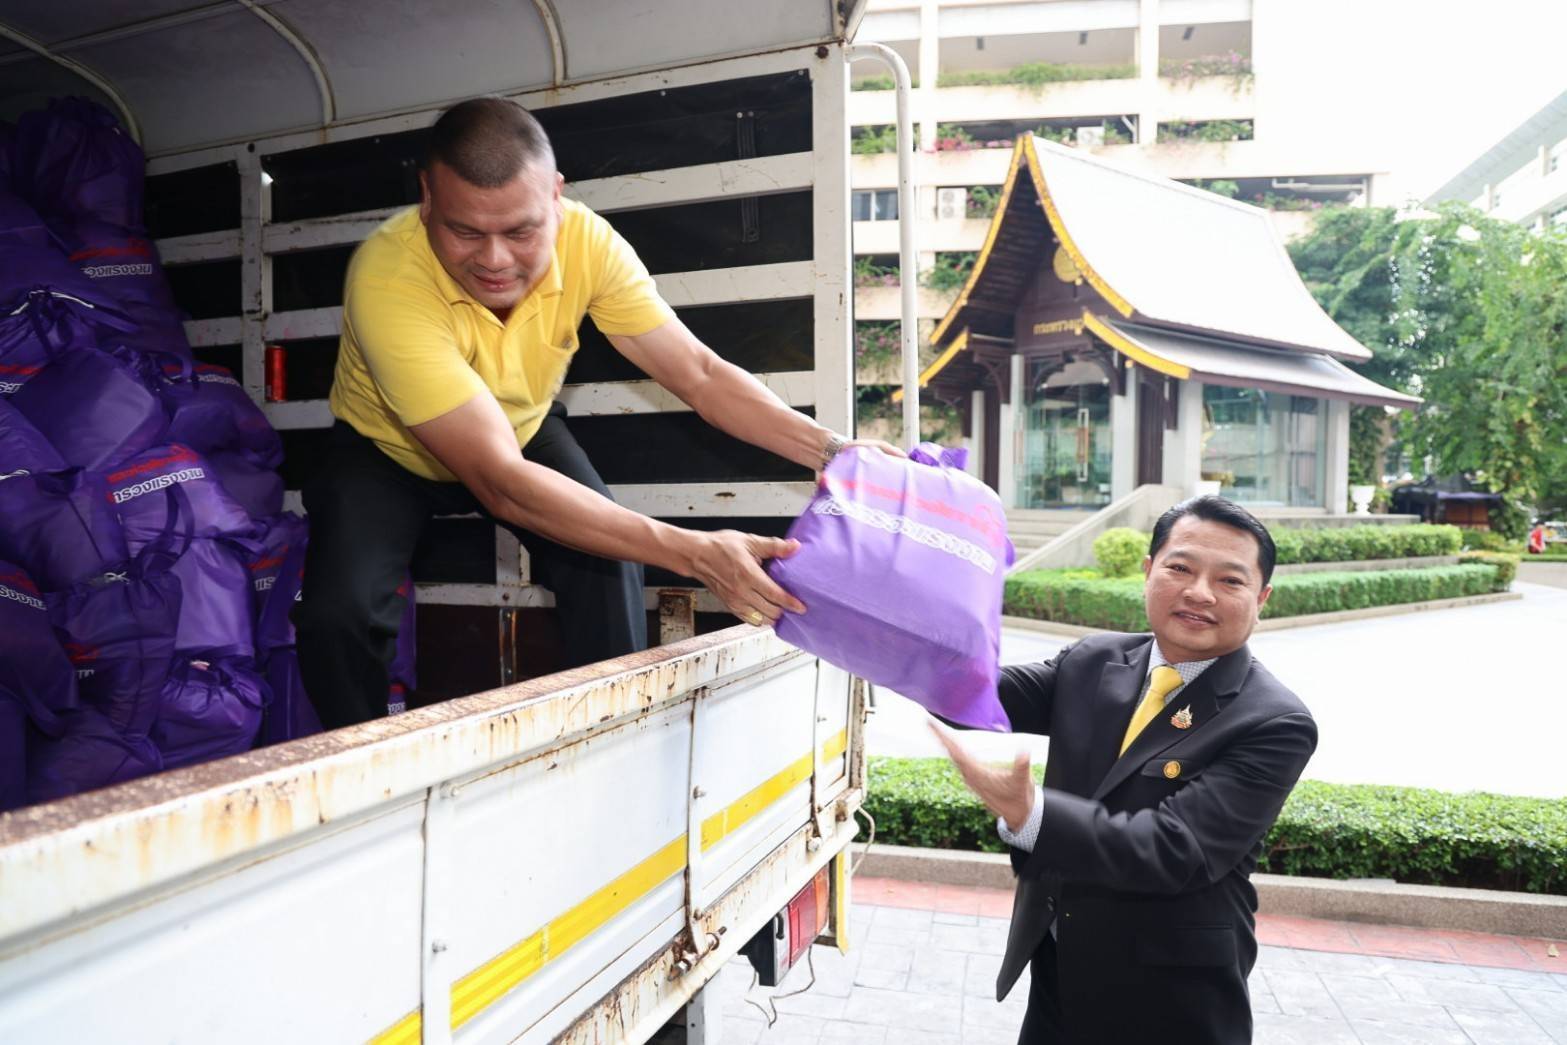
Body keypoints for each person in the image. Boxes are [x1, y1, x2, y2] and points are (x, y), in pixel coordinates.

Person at [294, 97, 895, 729]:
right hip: (387, 450)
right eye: (465, 232)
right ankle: (357, 770)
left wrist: (833, 451)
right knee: (338, 615)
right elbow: (499, 483)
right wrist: (696, 552)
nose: (494, 260)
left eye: (521, 232)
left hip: (522, 429)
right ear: (426, 198)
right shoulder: (388, 276)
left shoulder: (588, 242)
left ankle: (612, 740)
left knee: (611, 561)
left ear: (557, 196)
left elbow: (699, 374)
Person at [932, 495, 1317, 1045]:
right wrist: (890, 603)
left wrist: (1031, 814)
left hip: (1168, 997)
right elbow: (972, 693)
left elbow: (1174, 849)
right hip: (1059, 969)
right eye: (1180, 568)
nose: (1199, 592)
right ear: (1148, 571)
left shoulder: (1274, 720)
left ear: (1262, 599)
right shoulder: (1095, 660)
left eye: (1230, 580)